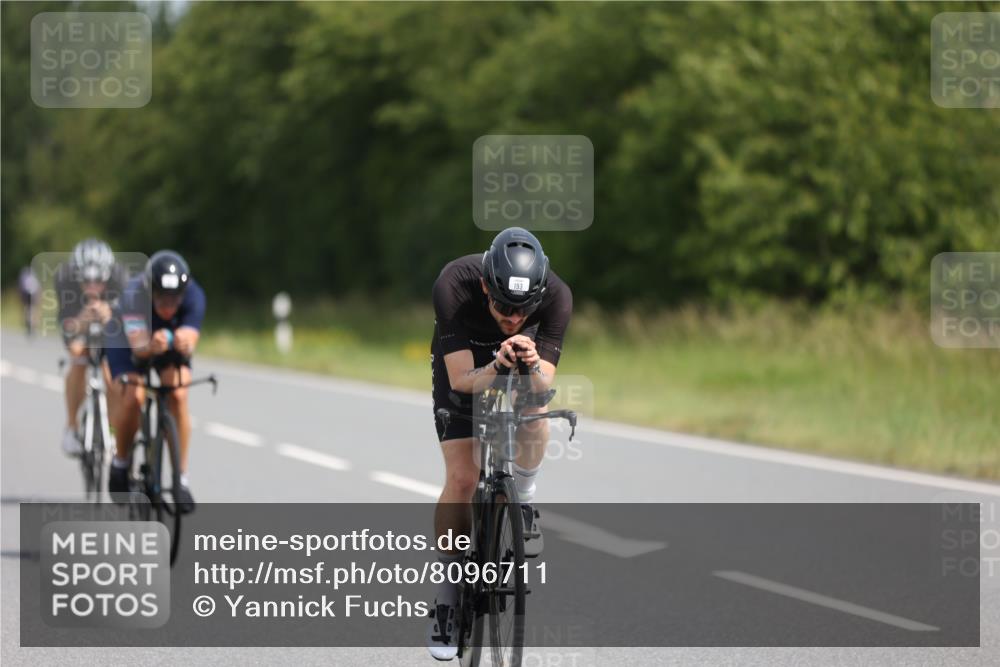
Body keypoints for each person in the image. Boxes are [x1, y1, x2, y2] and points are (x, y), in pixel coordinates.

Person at [426, 227, 572, 660]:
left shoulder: (558, 297)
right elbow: (460, 380)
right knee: (462, 477)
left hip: (521, 359)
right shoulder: (454, 285)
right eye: (504, 306)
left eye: (523, 309)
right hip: (467, 363)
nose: (512, 318)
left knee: (536, 406)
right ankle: (447, 595)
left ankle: (522, 499)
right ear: (486, 286)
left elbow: (543, 385)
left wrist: (530, 364)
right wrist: (496, 363)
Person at [106, 250, 205, 512]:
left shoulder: (194, 295)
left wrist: (184, 341)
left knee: (178, 393)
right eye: (161, 297)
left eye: (175, 299)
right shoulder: (133, 295)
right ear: (150, 290)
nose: (169, 305)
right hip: (126, 341)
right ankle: (120, 463)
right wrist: (151, 346)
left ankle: (180, 478)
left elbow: (191, 336)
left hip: (164, 342)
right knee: (133, 396)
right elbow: (139, 348)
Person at [55, 239, 124, 456]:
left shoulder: (120, 280)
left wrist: (110, 318)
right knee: (78, 357)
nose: (93, 286)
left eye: (99, 281)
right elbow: (67, 330)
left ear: (108, 276)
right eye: (86, 281)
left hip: (112, 331)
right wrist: (81, 321)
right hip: (80, 327)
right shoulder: (65, 280)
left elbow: (129, 329)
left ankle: (112, 431)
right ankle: (71, 426)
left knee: (112, 372)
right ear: (77, 277)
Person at [18, 265, 40, 337]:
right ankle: (32, 324)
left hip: (28, 294)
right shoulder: (33, 276)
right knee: (32, 309)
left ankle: (31, 324)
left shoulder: (24, 276)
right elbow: (38, 288)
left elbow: (21, 288)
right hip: (30, 294)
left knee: (29, 309)